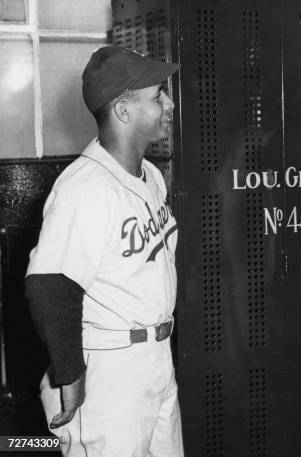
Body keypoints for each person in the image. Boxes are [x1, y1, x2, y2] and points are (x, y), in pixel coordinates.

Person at [25, 46, 183, 456]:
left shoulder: (149, 175)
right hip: (110, 369)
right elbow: (50, 285)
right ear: (124, 110)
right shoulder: (85, 188)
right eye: (157, 96)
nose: (168, 104)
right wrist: (70, 373)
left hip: (155, 358)